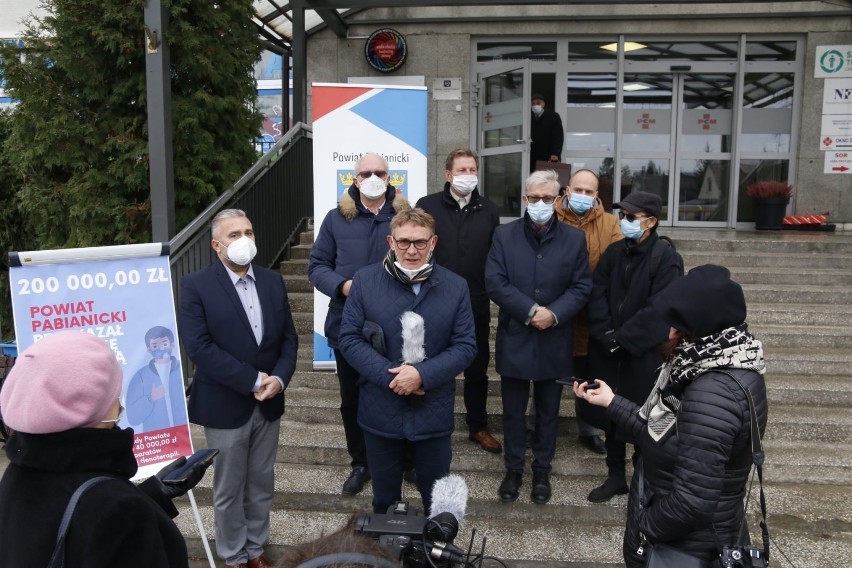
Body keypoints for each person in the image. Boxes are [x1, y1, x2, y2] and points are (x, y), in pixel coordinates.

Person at [575, 264, 768, 567]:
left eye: (671, 324)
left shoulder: (711, 393)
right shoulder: (712, 365)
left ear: (690, 329)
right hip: (688, 539)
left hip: (687, 549)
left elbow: (692, 503)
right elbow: (660, 431)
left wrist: (644, 526)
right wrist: (611, 401)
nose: (662, 332)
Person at [0, 331, 210, 568]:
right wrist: (134, 507)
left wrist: (153, 495)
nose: (119, 404)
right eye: (112, 392)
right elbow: (103, 519)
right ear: (88, 408)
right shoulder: (120, 509)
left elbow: (69, 527)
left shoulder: (18, 473)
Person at [180, 208, 299, 568]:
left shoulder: (272, 281)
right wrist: (251, 380)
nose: (244, 240)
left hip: (268, 402)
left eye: (248, 231)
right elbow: (200, 347)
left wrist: (278, 378)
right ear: (217, 246)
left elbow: (289, 339)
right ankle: (233, 556)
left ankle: (256, 549)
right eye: (234, 235)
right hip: (225, 405)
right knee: (229, 489)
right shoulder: (196, 285)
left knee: (261, 484)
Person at [338, 208, 476, 515]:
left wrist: (421, 375)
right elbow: (348, 339)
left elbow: (466, 346)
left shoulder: (455, 286)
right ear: (390, 241)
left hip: (433, 414)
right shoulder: (364, 280)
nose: (411, 250)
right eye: (403, 242)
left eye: (419, 242)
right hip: (380, 411)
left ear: (433, 242)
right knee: (383, 503)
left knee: (438, 506)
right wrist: (393, 378)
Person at [485, 170, 592, 505]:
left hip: (554, 339)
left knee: (548, 411)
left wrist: (554, 313)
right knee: (513, 413)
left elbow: (581, 286)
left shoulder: (574, 239)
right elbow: (495, 281)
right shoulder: (504, 235)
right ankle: (514, 469)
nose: (541, 204)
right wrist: (531, 311)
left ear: (558, 199)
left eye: (548, 198)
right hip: (516, 336)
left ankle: (542, 470)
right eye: (535, 198)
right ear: (524, 199)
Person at [309, 152, 411, 496]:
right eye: (365, 172)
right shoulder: (336, 218)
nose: (372, 177)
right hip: (347, 324)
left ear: (390, 177)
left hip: (397, 327)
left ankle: (403, 460)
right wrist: (343, 286)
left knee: (398, 393)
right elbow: (316, 265)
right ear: (354, 179)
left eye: (379, 172)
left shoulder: (405, 217)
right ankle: (361, 462)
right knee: (351, 399)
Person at [585, 191, 683, 503]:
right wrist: (606, 335)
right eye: (622, 215)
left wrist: (624, 339)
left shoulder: (666, 258)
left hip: (644, 355)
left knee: (645, 417)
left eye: (630, 217)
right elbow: (596, 293)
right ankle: (615, 477)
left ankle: (644, 479)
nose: (623, 221)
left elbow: (661, 308)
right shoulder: (614, 253)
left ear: (651, 221)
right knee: (610, 412)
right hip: (609, 352)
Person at [416, 148, 502, 454]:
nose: (469, 175)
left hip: (476, 301)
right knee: (432, 363)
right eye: (462, 170)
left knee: (477, 368)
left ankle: (477, 426)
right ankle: (427, 423)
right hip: (434, 300)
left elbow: (495, 257)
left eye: (473, 169)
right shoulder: (427, 207)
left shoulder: (489, 211)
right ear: (448, 175)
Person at [552, 169, 623, 455]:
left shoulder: (609, 224)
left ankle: (589, 429)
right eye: (577, 189)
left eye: (588, 191)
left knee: (588, 372)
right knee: (549, 372)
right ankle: (538, 426)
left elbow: (615, 264)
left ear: (596, 196)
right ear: (567, 190)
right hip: (556, 310)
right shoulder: (551, 217)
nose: (582, 195)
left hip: (592, 313)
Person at [126, 325, 187, 431]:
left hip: (183, 436)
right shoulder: (141, 376)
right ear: (149, 350)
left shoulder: (179, 370)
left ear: (172, 345)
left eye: (164, 343)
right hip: (156, 439)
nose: (161, 348)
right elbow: (133, 418)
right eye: (155, 346)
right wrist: (151, 398)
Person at [529, 93, 564, 171]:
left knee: (548, 178)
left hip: (549, 155)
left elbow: (558, 136)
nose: (535, 105)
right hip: (533, 156)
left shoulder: (553, 116)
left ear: (543, 104)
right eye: (533, 104)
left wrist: (555, 153)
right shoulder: (529, 118)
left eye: (538, 103)